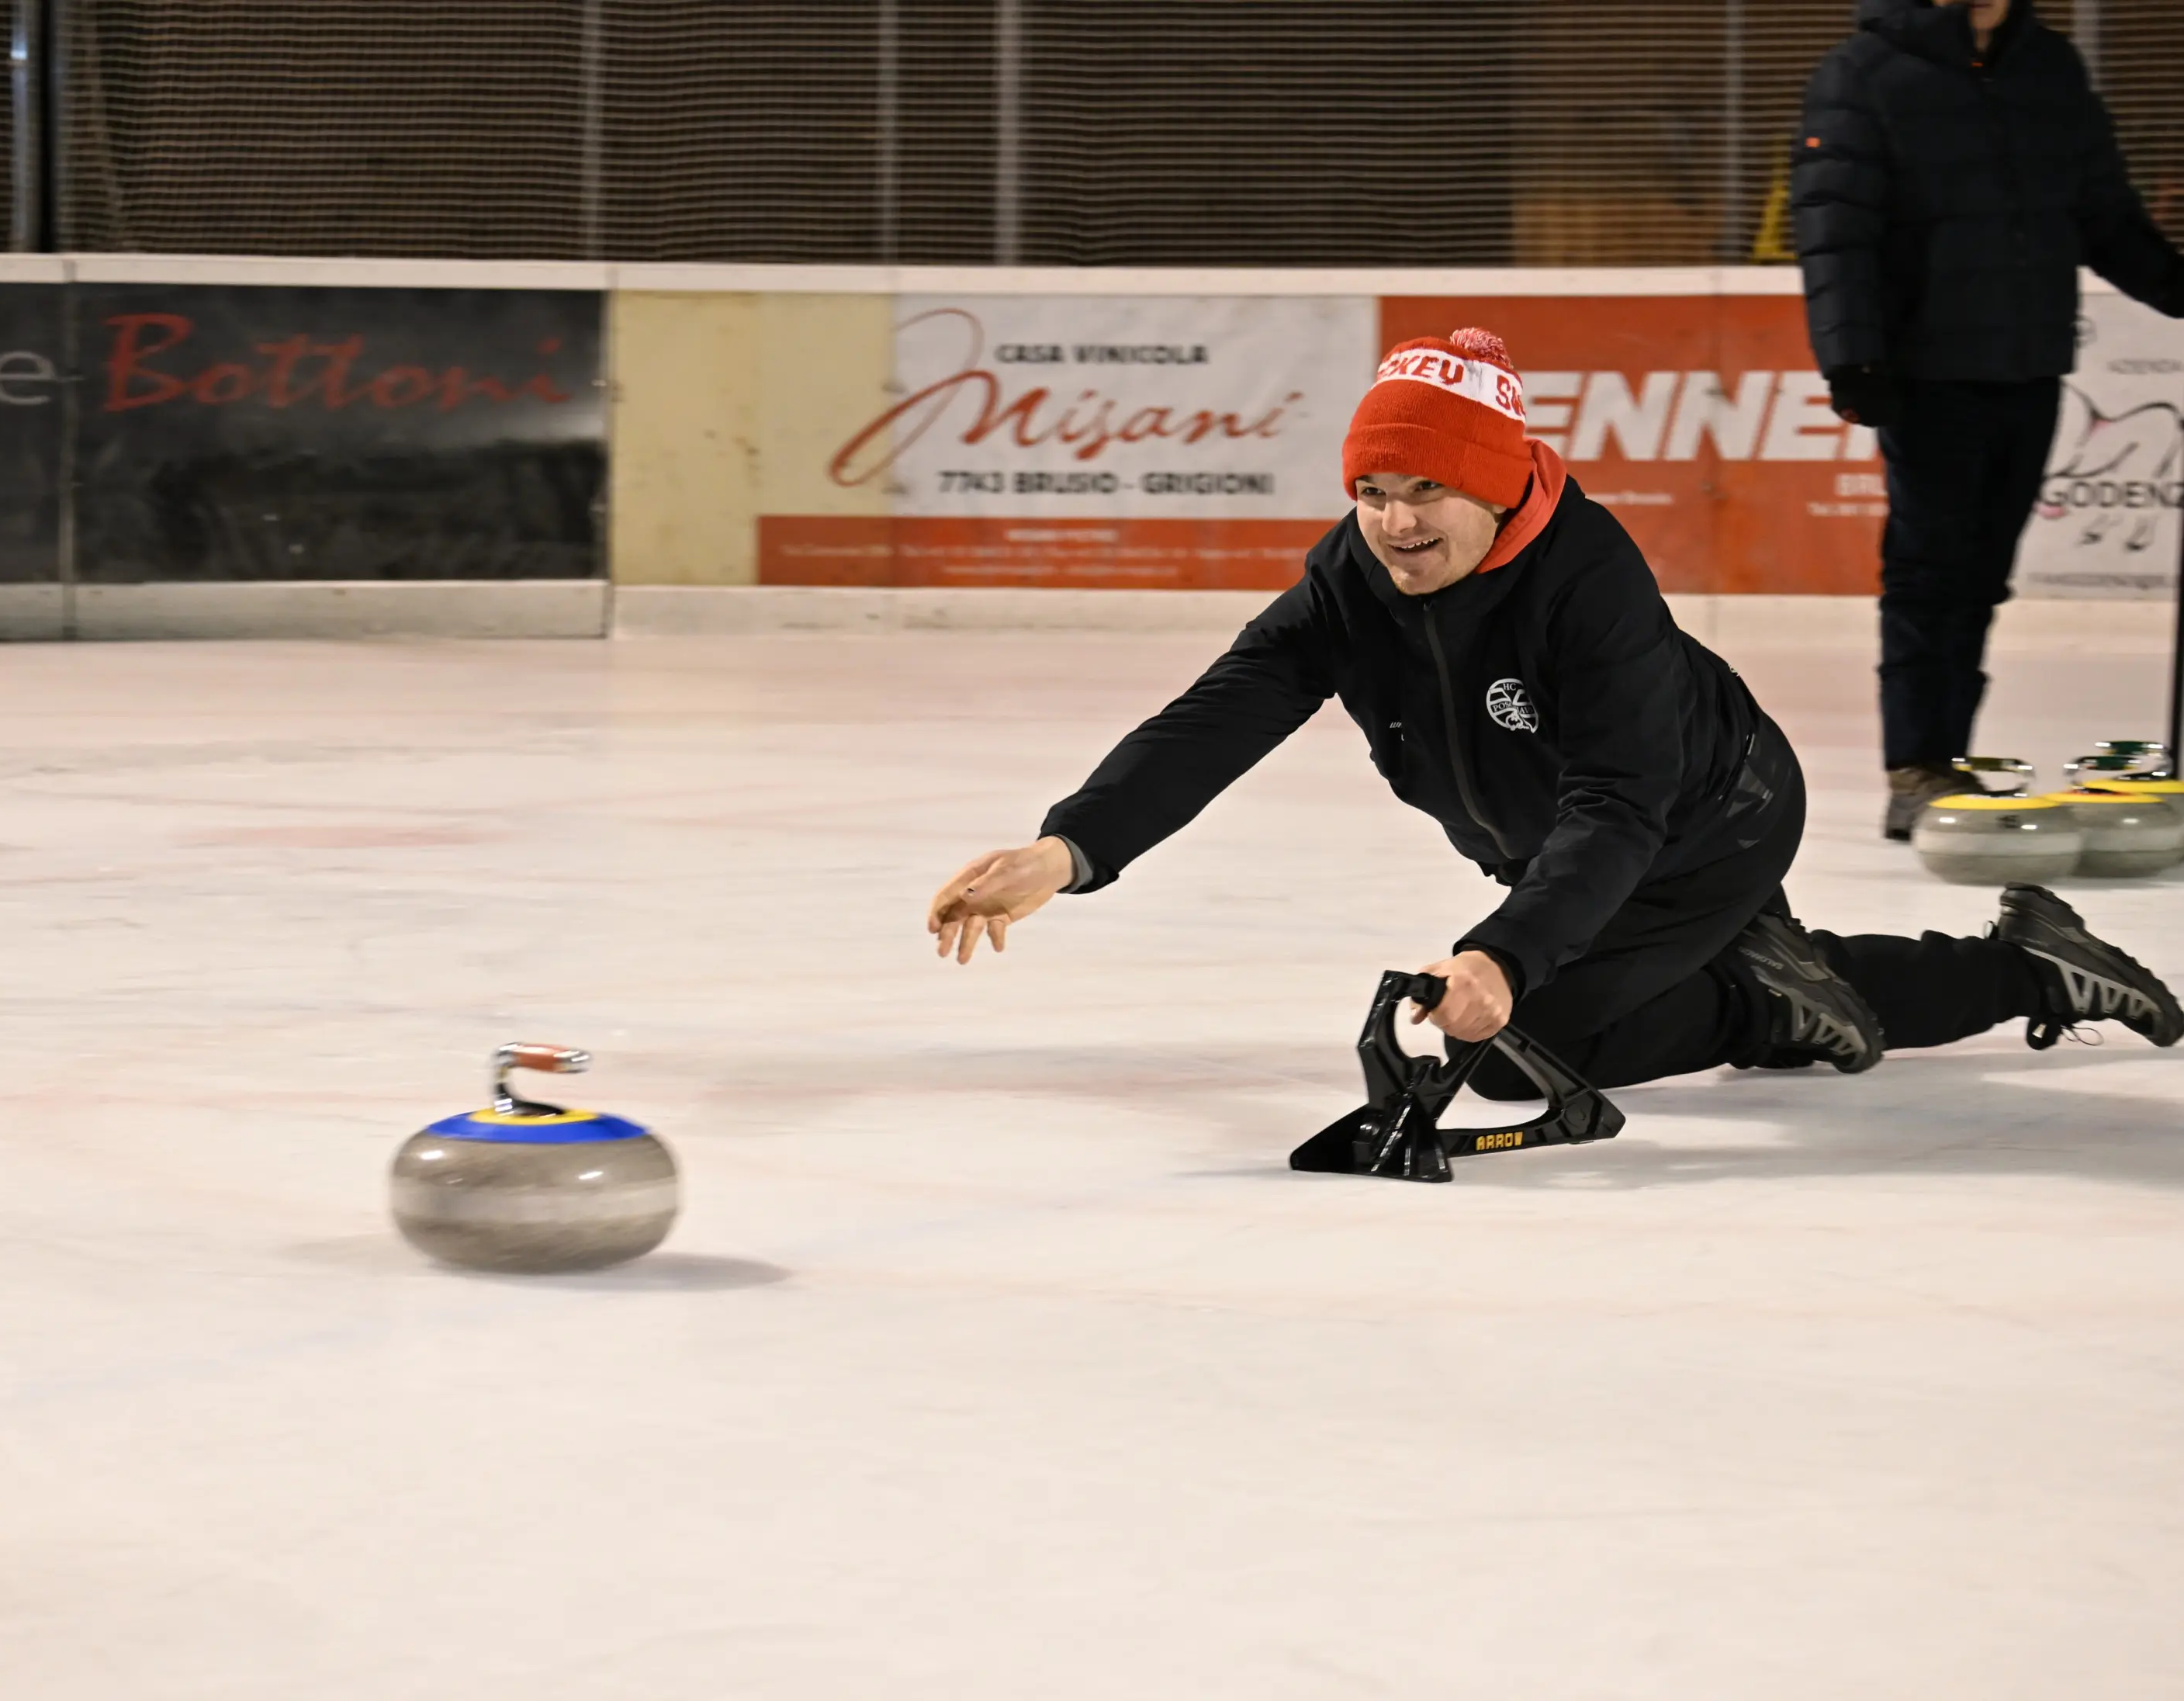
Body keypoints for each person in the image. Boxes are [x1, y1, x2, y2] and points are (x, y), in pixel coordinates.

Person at [923, 328, 2181, 1095]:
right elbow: (1224, 711)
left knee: (1544, 1032)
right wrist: (1071, 845)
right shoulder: (1352, 577)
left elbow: (1621, 805)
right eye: (1371, 488)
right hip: (1565, 836)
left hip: (1710, 819)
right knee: (1544, 1000)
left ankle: (1933, 974)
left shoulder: (1588, 584)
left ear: (1493, 484)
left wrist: (1505, 955)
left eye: (1427, 489)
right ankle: (1809, 970)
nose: (1396, 520)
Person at [1791, 0, 2184, 840]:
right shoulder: (1863, 73)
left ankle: (1947, 755)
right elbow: (1834, 230)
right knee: (1931, 573)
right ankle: (1917, 765)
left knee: (1981, 579)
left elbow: (2104, 215)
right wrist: (1853, 359)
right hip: (1928, 372)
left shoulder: (2049, 69)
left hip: (2029, 364)